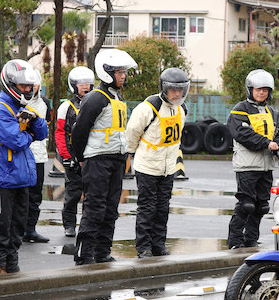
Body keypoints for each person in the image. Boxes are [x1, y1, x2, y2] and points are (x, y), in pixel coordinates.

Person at [71, 49, 137, 265]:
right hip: (97, 159)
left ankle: (102, 251)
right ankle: (84, 254)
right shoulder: (96, 98)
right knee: (95, 208)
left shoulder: (117, 97)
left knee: (110, 209)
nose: (123, 76)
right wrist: (80, 158)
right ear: (107, 73)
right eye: (119, 72)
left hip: (116, 159)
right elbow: (79, 130)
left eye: (124, 72)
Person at [0, 60, 49, 274]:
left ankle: (11, 260)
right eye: (23, 86)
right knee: (1, 223)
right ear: (10, 84)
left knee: (18, 223)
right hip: (2, 177)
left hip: (21, 176)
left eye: (29, 86)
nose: (27, 90)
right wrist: (28, 130)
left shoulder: (23, 108)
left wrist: (34, 120)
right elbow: (17, 140)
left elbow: (42, 133)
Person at [126, 68, 190, 258]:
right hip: (147, 166)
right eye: (173, 90)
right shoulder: (149, 107)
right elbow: (132, 132)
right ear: (164, 88)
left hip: (168, 167)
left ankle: (158, 244)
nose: (177, 94)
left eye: (180, 90)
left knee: (163, 207)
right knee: (147, 207)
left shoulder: (181, 109)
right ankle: (143, 247)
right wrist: (132, 153)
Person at [226, 69, 279, 249]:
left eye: (265, 89)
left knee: (261, 206)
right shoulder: (240, 110)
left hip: (266, 166)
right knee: (246, 204)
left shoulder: (273, 112)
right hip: (247, 166)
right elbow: (243, 134)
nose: (261, 93)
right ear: (250, 89)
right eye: (258, 89)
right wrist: (267, 143)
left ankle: (251, 240)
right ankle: (235, 241)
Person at [56, 66, 94, 238]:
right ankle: (69, 224)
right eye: (81, 83)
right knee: (73, 192)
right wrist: (66, 155)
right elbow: (60, 132)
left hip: (91, 155)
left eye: (88, 83)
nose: (85, 86)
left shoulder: (94, 103)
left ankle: (89, 224)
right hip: (72, 155)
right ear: (73, 85)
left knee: (92, 193)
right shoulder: (66, 107)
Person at [22, 70, 52, 243]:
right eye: (27, 85)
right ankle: (17, 230)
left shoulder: (45, 103)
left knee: (36, 194)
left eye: (34, 84)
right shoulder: (16, 103)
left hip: (39, 155)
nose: (30, 88)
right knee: (21, 194)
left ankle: (30, 229)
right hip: (22, 153)